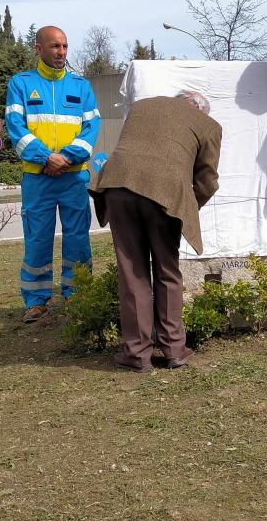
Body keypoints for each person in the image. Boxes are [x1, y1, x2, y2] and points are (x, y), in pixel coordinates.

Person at [90, 91, 222, 372]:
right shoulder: (208, 125)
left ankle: (138, 354)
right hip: (164, 196)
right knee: (167, 270)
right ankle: (174, 349)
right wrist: (185, 206)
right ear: (200, 109)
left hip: (118, 185)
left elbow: (135, 149)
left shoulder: (143, 106)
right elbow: (207, 180)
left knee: (133, 271)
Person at [5, 25, 101, 322]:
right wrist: (46, 158)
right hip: (38, 178)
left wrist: (66, 158)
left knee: (77, 239)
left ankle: (79, 297)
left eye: (64, 46)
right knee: (37, 240)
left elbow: (91, 129)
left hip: (74, 178)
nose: (61, 52)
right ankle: (36, 301)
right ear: (39, 49)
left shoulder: (81, 86)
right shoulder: (20, 84)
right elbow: (16, 128)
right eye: (55, 46)